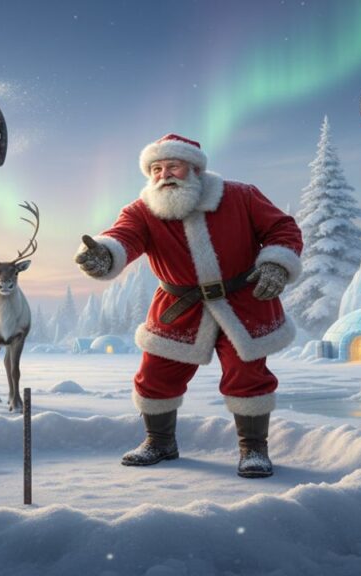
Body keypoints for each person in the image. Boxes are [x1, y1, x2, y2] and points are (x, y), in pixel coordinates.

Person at [75, 133, 302, 478]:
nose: (164, 174)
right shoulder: (141, 210)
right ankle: (160, 441)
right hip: (179, 307)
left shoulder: (240, 196)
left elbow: (282, 228)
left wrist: (276, 263)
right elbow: (122, 237)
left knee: (248, 375)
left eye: (173, 166)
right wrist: (103, 255)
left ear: (194, 168)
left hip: (242, 302)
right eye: (156, 168)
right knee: (154, 375)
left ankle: (253, 449)